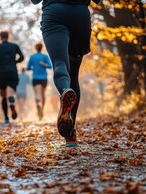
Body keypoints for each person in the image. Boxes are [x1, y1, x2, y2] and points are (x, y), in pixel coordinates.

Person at [31, 0, 100, 146]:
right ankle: (70, 134)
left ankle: (64, 90)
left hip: (55, 13)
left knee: (60, 64)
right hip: (80, 15)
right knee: (74, 74)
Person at [0, 31, 24, 124]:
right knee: (11, 93)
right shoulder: (14, 46)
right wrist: (15, 62)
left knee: (3, 96)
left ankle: (6, 118)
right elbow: (22, 57)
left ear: (0, 37)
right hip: (12, 72)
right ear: (8, 37)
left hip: (2, 73)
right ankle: (12, 103)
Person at [27, 42, 52, 120]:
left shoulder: (32, 57)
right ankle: (42, 109)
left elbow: (28, 67)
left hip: (35, 78)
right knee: (42, 94)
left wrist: (33, 67)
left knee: (37, 94)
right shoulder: (45, 56)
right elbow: (50, 66)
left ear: (35, 48)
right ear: (42, 48)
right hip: (44, 78)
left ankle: (38, 106)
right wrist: (44, 65)